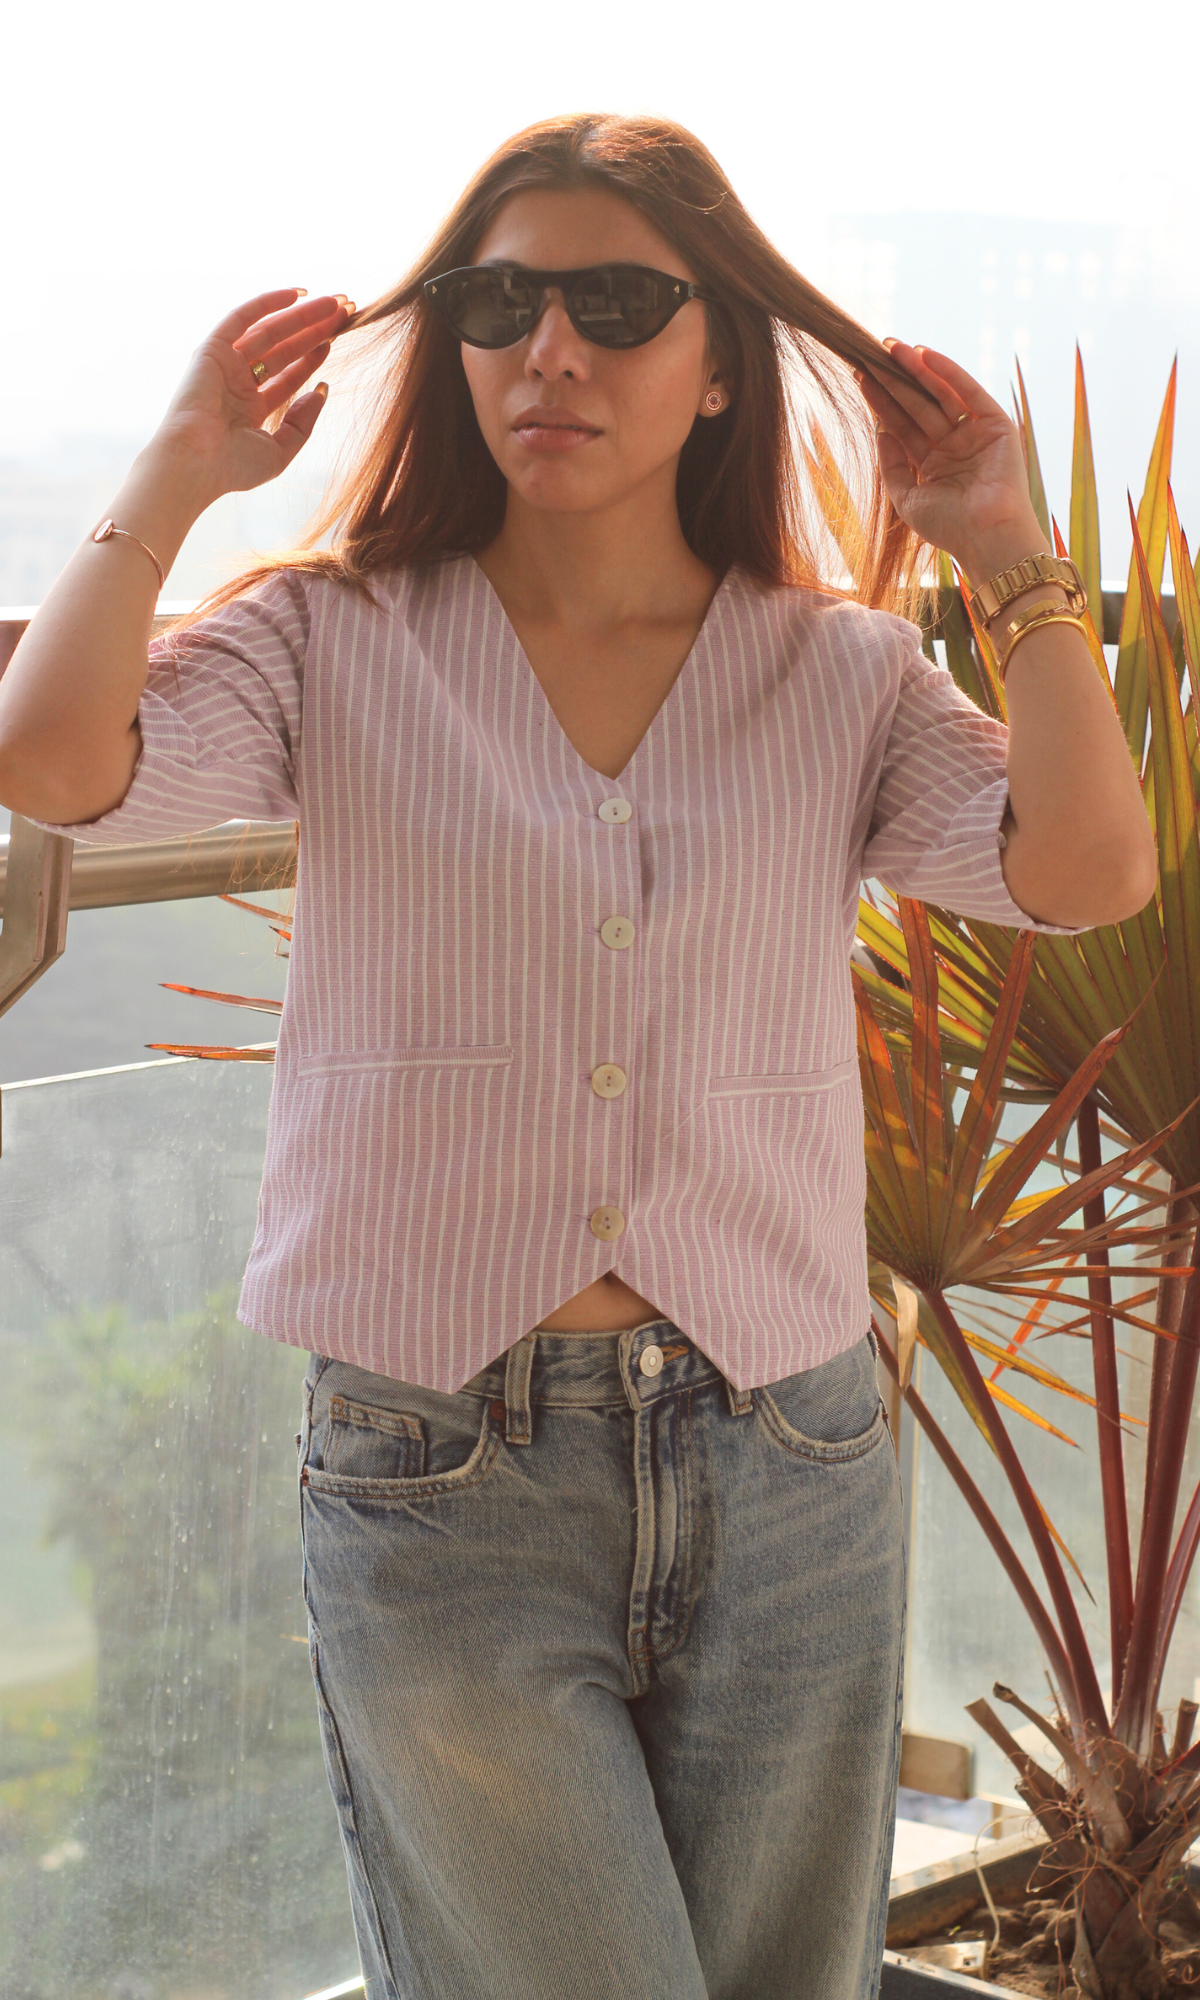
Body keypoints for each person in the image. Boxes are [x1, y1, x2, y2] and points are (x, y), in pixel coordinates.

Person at [0, 113, 1154, 2000]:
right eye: (498, 302)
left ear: (722, 365)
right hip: (441, 1462)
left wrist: (1008, 552)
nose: (551, 349)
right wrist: (178, 471)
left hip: (790, 1446)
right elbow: (52, 765)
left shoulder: (841, 670)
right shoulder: (330, 635)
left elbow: (1087, 868)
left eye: (618, 303)